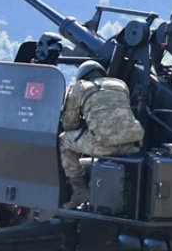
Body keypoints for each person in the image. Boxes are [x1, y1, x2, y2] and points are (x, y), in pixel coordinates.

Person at [59, 61, 144, 209]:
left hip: (103, 146)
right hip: (132, 145)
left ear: (82, 76)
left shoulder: (80, 87)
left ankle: (80, 192)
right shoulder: (120, 84)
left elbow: (69, 124)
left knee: (64, 140)